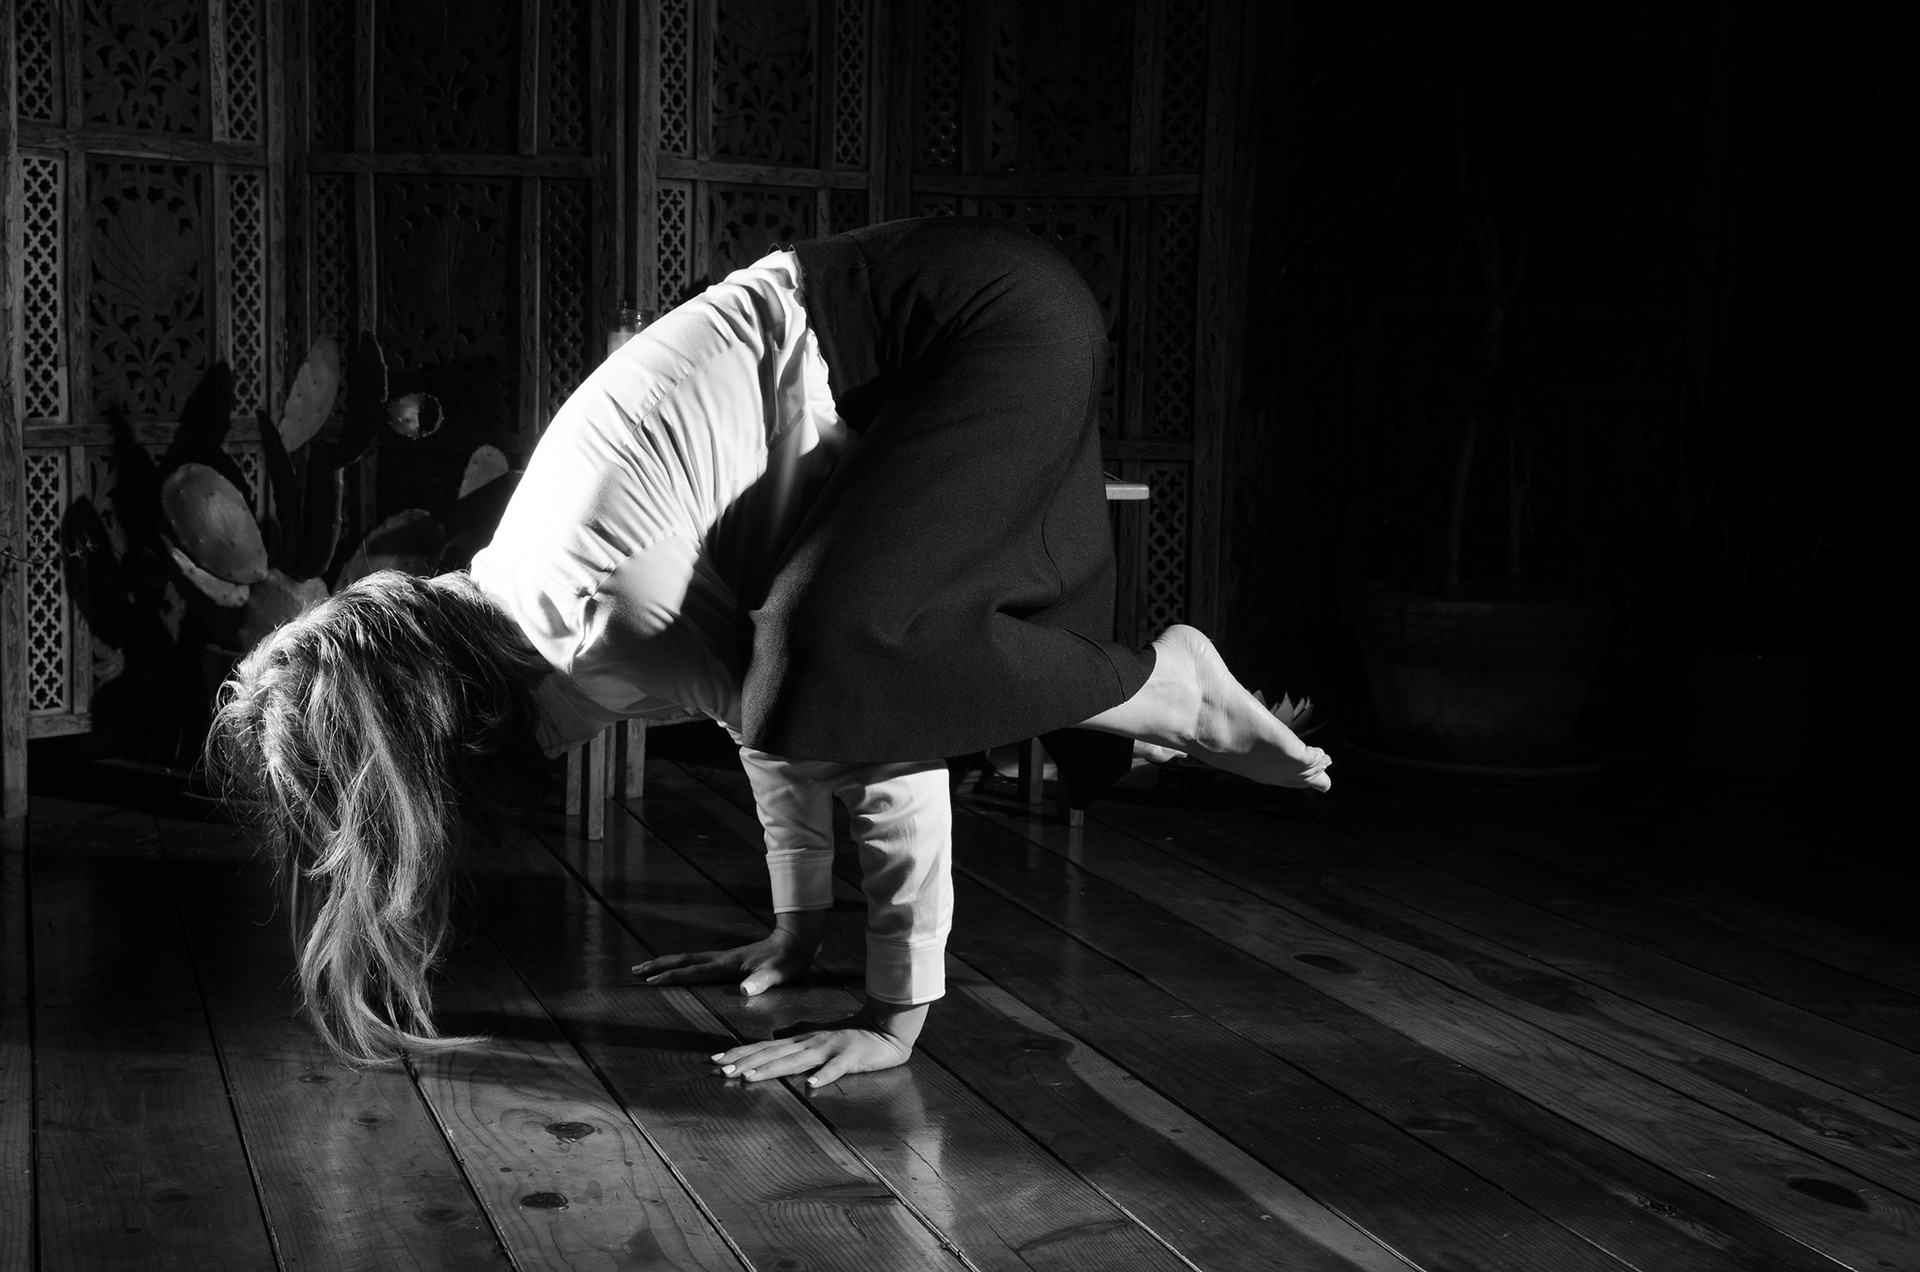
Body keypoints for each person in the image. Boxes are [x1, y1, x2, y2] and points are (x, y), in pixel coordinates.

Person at [210, 217, 1330, 1088]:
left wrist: (895, 1012)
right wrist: (798, 927)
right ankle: (1151, 693)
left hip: (977, 323)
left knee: (842, 649)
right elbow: (761, 718)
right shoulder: (525, 601)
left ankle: (1169, 686)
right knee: (805, 657)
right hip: (941, 334)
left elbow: (867, 734)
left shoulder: (589, 613)